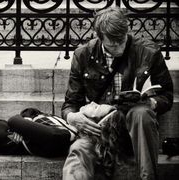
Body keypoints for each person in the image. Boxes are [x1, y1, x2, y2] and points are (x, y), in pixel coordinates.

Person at [61, 6, 173, 180]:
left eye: (121, 41)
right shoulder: (83, 55)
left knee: (142, 113)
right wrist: (72, 117)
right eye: (113, 44)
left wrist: (152, 103)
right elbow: (70, 103)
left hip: (134, 130)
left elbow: (167, 96)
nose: (119, 48)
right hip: (100, 129)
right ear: (100, 37)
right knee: (77, 152)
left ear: (127, 30)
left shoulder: (149, 52)